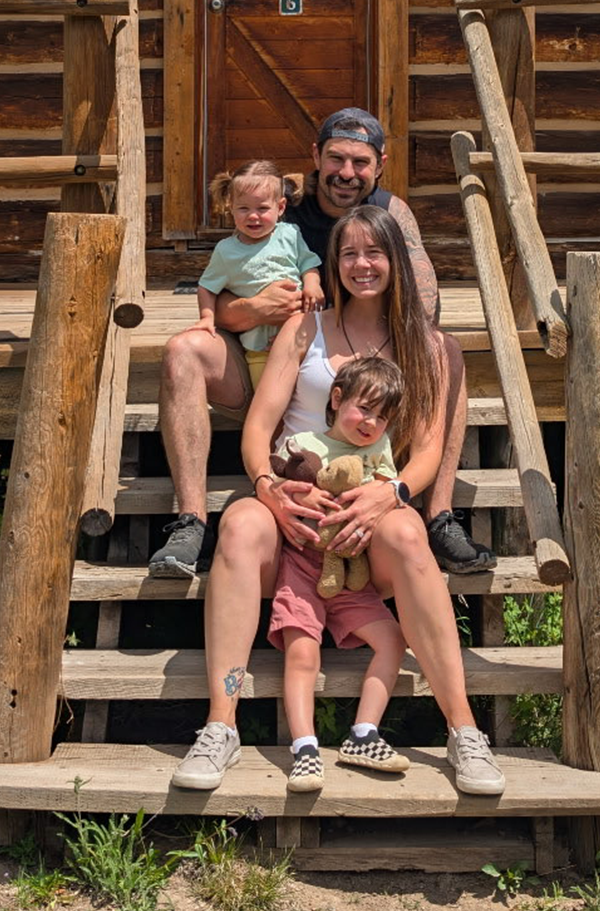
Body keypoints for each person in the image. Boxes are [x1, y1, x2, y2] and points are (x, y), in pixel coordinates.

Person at [169, 205, 505, 797]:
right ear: (334, 263)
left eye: (374, 252)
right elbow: (259, 424)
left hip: (372, 506)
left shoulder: (423, 343)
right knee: (241, 524)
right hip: (295, 498)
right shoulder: (307, 328)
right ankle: (221, 724)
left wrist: (391, 494)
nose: (361, 265)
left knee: (409, 533)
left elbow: (428, 448)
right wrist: (268, 487)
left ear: (395, 260)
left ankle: (464, 730)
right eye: (349, 253)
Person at [149, 107, 494, 579]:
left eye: (360, 162)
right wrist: (256, 308)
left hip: (351, 371)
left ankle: (439, 516)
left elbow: (424, 306)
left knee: (445, 351)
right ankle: (191, 521)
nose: (346, 173)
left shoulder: (392, 212)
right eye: (336, 159)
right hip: (266, 359)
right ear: (316, 156)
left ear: (380, 165)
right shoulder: (279, 207)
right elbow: (225, 296)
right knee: (183, 350)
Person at [268, 357, 413, 791]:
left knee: (393, 639)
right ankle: (304, 747)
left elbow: (387, 492)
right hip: (302, 565)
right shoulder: (302, 442)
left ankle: (364, 734)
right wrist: (296, 492)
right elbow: (278, 485)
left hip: (353, 570)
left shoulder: (379, 449)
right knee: (302, 653)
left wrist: (378, 492)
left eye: (382, 417)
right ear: (336, 399)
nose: (371, 423)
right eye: (364, 409)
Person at [187, 161, 325, 388]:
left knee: (307, 391)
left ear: (280, 207)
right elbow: (207, 287)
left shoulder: (290, 234)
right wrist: (207, 318)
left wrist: (312, 284)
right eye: (243, 208)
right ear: (231, 208)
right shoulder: (226, 251)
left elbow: (308, 265)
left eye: (262, 209)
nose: (253, 216)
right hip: (261, 349)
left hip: (303, 340)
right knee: (267, 394)